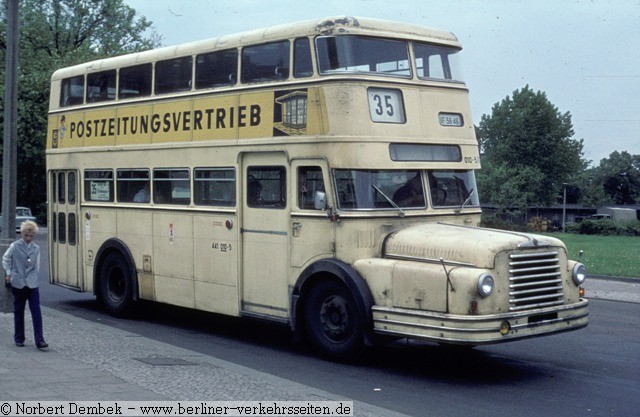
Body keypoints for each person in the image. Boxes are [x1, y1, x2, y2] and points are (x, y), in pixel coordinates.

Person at [2, 220, 48, 349]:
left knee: (36, 312)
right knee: (19, 311)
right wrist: (9, 272)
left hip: (32, 284)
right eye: (26, 235)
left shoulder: (36, 248)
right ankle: (19, 338)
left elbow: (37, 266)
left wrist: (33, 277)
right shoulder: (15, 246)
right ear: (21, 234)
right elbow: (5, 258)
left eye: (31, 235)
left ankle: (40, 340)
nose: (28, 238)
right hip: (18, 282)